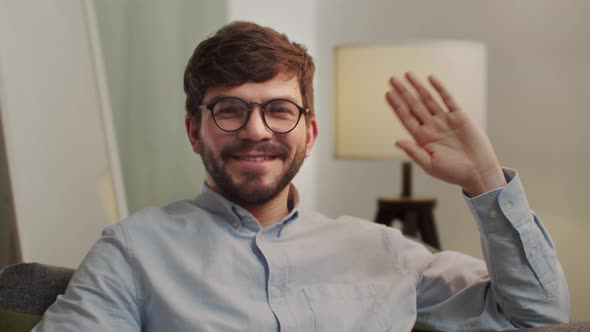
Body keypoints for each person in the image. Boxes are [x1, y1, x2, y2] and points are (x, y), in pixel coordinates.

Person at [33, 21, 569, 331]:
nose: (255, 130)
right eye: (229, 110)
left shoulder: (386, 251)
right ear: (196, 133)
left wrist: (484, 180)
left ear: (309, 133)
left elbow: (538, 317)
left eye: (279, 110)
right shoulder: (134, 250)